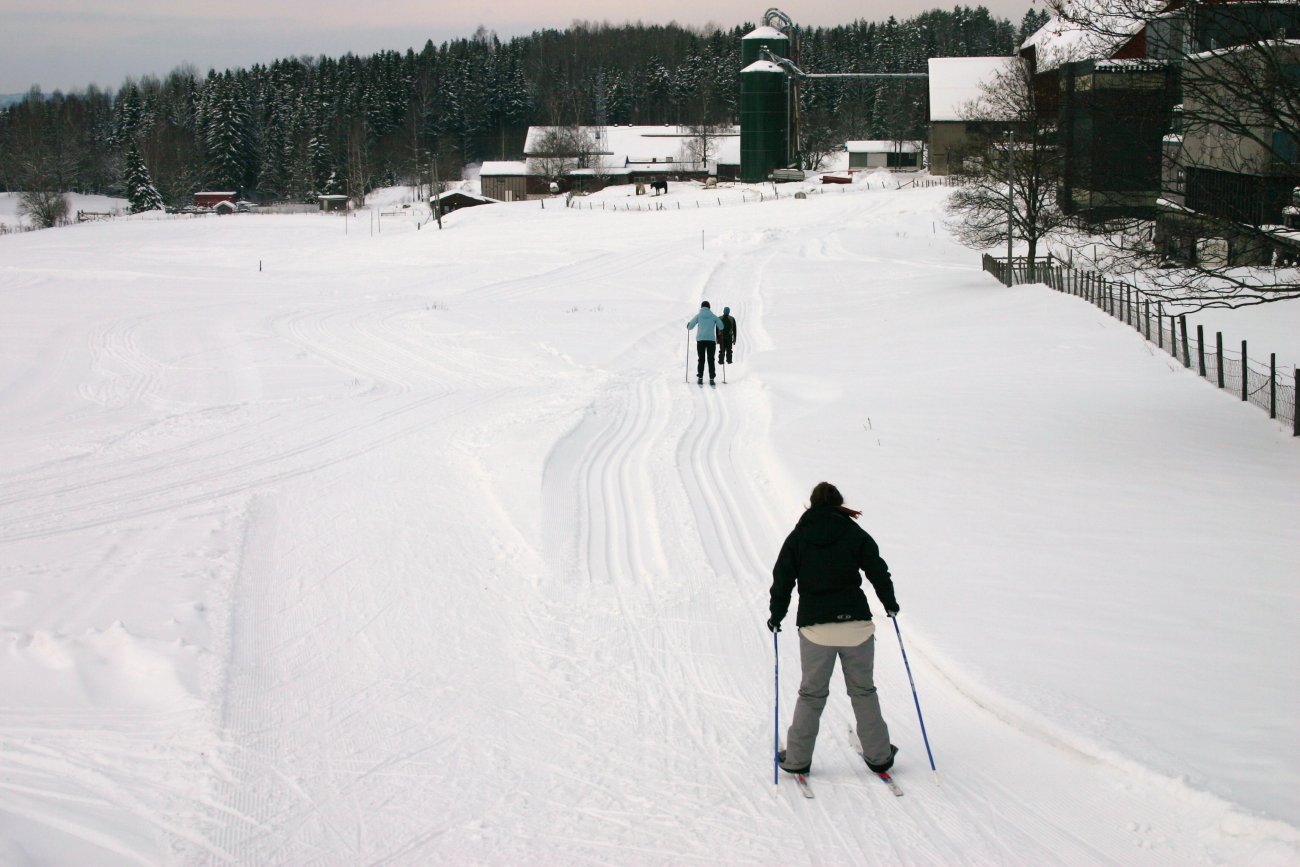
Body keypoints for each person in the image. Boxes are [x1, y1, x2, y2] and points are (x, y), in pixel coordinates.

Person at [768, 481, 899, 776]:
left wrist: (776, 616)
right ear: (839, 503)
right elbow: (877, 569)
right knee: (863, 691)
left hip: (817, 631)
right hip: (857, 627)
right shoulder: (853, 533)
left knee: (812, 695)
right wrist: (889, 603)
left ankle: (798, 759)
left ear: (811, 504)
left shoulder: (798, 536)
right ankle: (879, 756)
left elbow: (783, 580)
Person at [686, 300, 724, 384]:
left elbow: (690, 327)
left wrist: (688, 325)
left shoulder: (698, 316)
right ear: (709, 307)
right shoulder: (713, 316)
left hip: (701, 340)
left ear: (701, 307)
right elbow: (721, 326)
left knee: (701, 359)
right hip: (711, 341)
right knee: (711, 359)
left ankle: (700, 377)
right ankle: (711, 379)